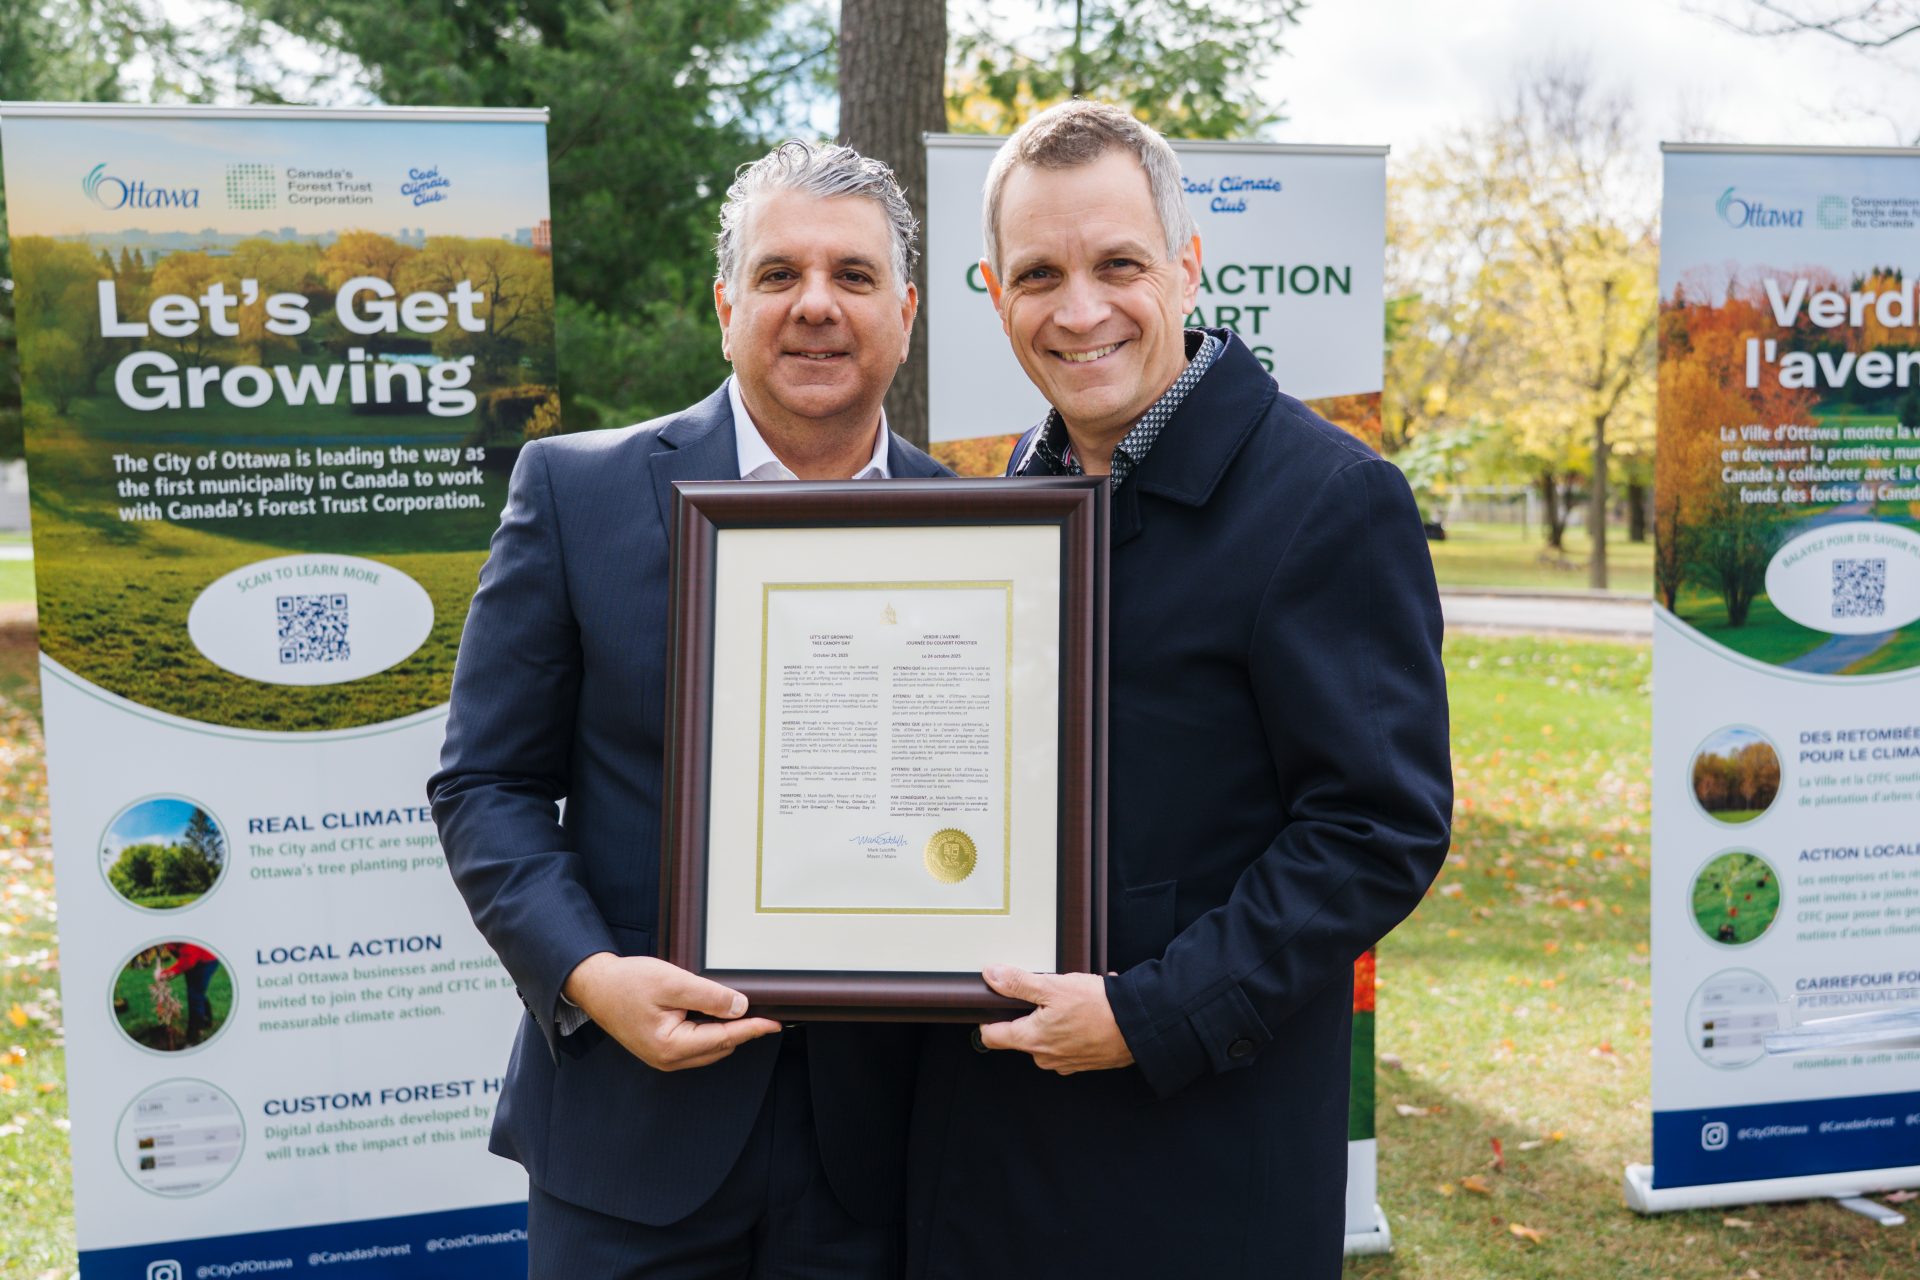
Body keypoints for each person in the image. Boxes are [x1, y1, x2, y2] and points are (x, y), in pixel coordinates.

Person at [905, 101, 1453, 1279]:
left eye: (1119, 264)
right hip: (989, 1139)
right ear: (994, 292)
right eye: (1039, 273)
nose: (1080, 308)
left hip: (1198, 1151)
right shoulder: (1001, 500)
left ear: (1188, 265)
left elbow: (1375, 828)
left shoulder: (1326, 497)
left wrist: (1153, 1017)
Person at [429, 139, 947, 1278]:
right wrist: (587, 975)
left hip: (887, 1154)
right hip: (629, 1132)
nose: (816, 306)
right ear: (726, 304)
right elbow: (486, 782)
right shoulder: (577, 493)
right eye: (779, 274)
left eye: (854, 277)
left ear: (905, 311)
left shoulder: (992, 537)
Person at [155, 942, 221, 1044]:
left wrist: (166, 974)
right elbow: (179, 954)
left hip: (206, 961)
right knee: (196, 992)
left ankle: (193, 1037)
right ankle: (205, 1020)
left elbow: (188, 961)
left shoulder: (190, 944)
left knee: (195, 995)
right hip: (193, 958)